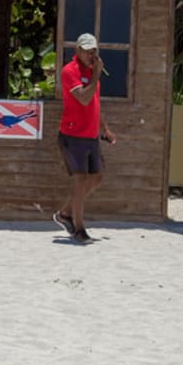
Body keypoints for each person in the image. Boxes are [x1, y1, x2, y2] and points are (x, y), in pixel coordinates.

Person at [53, 32, 116, 243]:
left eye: (94, 51)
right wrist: (96, 75)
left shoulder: (91, 71)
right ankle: (79, 229)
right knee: (80, 180)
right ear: (78, 51)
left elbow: (94, 104)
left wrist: (105, 129)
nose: (91, 55)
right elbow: (83, 98)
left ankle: (65, 213)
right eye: (87, 51)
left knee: (96, 177)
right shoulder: (70, 71)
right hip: (72, 135)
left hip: (90, 135)